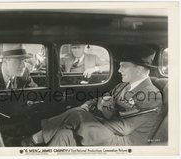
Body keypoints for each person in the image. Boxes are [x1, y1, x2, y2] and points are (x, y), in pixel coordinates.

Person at [21, 45, 162, 146]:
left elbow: (124, 128)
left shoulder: (151, 94)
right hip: (108, 130)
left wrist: (90, 116)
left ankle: (33, 140)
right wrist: (88, 106)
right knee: (64, 133)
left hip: (125, 142)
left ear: (139, 69)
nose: (119, 70)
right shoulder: (123, 85)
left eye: (124, 66)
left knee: (76, 115)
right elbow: (101, 99)